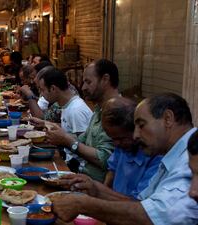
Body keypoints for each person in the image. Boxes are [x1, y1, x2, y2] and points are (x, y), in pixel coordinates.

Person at [52, 93, 198, 225]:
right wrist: (95, 188)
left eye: (141, 125)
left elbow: (157, 216)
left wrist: (84, 204)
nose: (135, 135)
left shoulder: (188, 157)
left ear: (168, 118)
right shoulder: (173, 155)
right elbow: (142, 204)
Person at [58, 97, 162, 199]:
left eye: (121, 138)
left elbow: (139, 206)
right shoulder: (122, 147)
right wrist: (102, 194)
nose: (116, 143)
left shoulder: (154, 157)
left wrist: (99, 191)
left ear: (136, 130)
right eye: (112, 139)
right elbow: (111, 171)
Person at [45, 59, 118, 182]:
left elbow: (105, 159)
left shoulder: (117, 113)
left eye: (88, 82)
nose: (83, 87)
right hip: (81, 175)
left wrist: (67, 141)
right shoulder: (99, 109)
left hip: (94, 186)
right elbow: (82, 139)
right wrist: (60, 136)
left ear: (105, 79)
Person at [31, 67, 92, 136]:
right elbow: (68, 128)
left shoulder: (75, 110)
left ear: (53, 88)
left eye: (42, 90)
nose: (41, 94)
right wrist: (44, 123)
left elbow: (82, 143)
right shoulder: (67, 104)